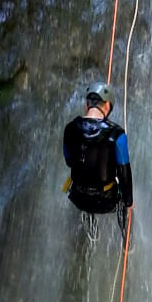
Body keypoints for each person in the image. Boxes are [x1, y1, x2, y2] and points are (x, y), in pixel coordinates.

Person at [63, 82, 133, 236]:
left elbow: (69, 161)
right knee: (125, 202)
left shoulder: (69, 129)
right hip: (106, 201)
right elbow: (124, 173)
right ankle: (127, 240)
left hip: (78, 198)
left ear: (87, 105)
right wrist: (129, 202)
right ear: (107, 105)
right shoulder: (117, 134)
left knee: (84, 184)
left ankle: (90, 233)